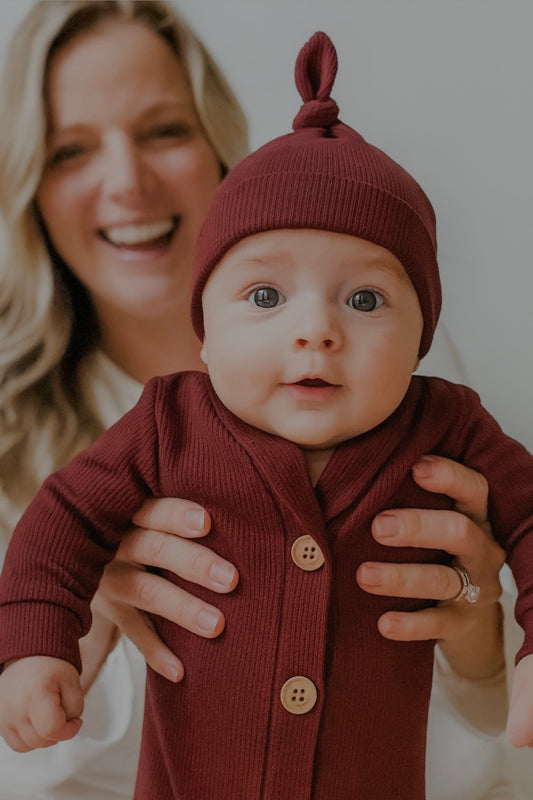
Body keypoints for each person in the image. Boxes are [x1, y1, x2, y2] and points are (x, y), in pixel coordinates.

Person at [0, 2, 523, 799]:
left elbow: (491, 723)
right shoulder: (149, 425)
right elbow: (59, 534)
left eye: (163, 131)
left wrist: (488, 642)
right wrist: (52, 635)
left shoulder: (414, 395)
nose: (317, 331)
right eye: (70, 149)